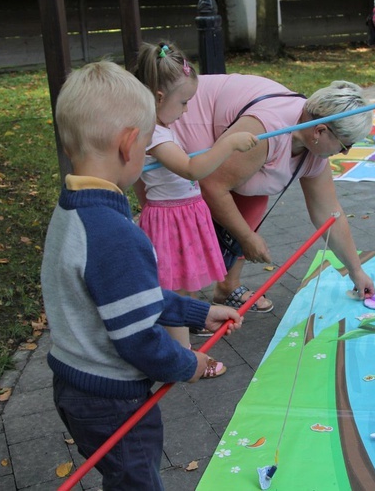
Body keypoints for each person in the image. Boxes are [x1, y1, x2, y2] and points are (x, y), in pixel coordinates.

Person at [41, 60, 243, 489]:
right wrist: (187, 363)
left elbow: (126, 299)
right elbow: (137, 339)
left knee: (122, 475)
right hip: (112, 398)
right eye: (150, 139)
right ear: (130, 144)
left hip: (76, 383)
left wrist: (195, 313)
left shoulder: (72, 209)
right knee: (137, 481)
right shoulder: (115, 235)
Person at [169, 73, 375, 312]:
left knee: (254, 197)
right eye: (345, 144)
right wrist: (247, 238)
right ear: (319, 131)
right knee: (183, 211)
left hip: (224, 140)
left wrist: (356, 271)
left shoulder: (313, 146)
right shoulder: (268, 130)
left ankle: (226, 287)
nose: (346, 153)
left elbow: (329, 213)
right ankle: (183, 308)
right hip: (182, 120)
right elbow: (211, 185)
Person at [132, 41, 258, 367]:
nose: (187, 110)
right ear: (159, 98)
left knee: (180, 286)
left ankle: (181, 343)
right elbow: (192, 169)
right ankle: (183, 357)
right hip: (171, 218)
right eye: (183, 102)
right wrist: (228, 143)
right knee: (175, 288)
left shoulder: (159, 129)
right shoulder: (156, 136)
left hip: (179, 214)